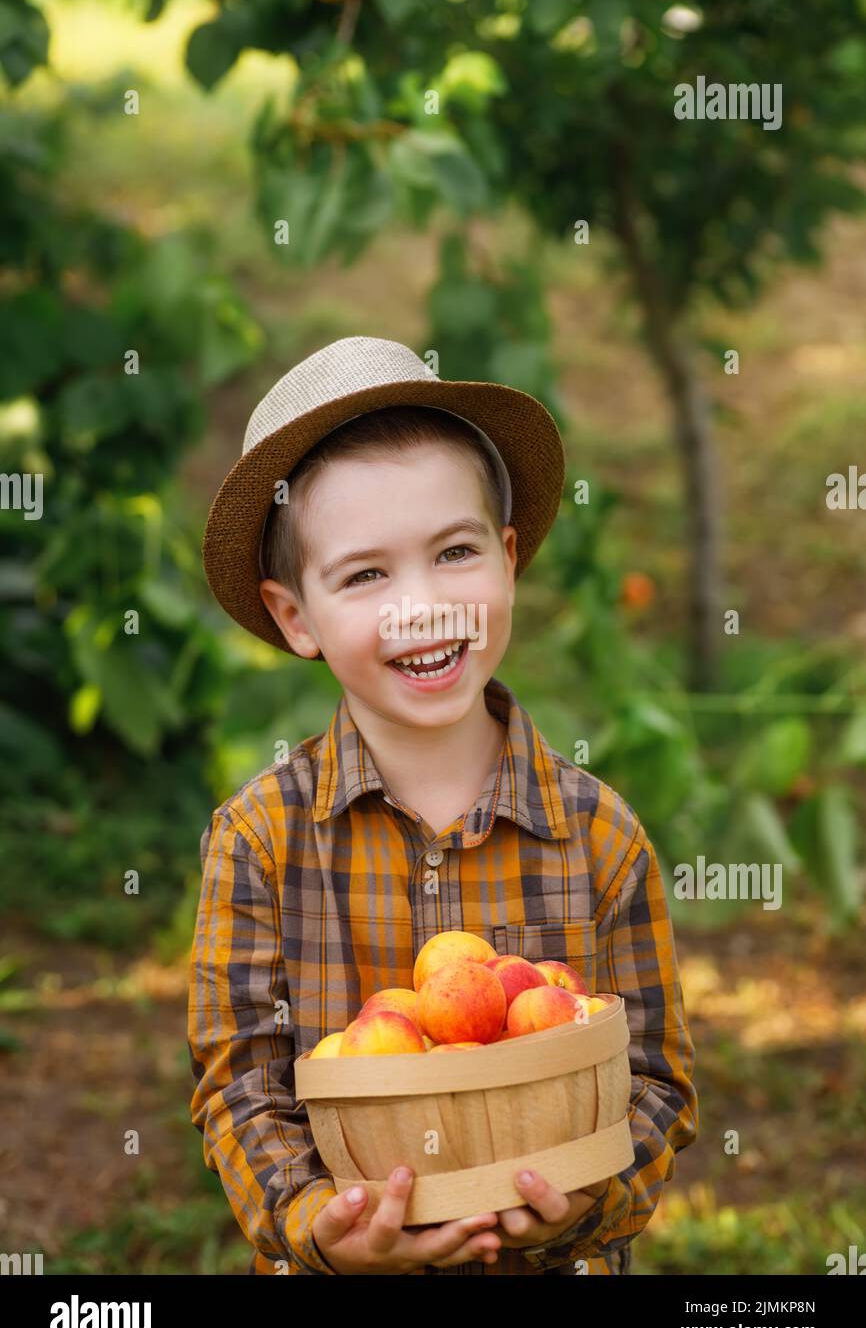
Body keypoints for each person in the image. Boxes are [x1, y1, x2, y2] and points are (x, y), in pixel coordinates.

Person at [188, 335, 698, 1276]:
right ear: (296, 615)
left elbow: (657, 1082)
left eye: (454, 552)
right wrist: (316, 1222)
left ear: (506, 560)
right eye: (366, 575)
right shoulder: (258, 840)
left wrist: (588, 1201)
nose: (422, 607)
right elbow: (241, 1086)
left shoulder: (599, 835)